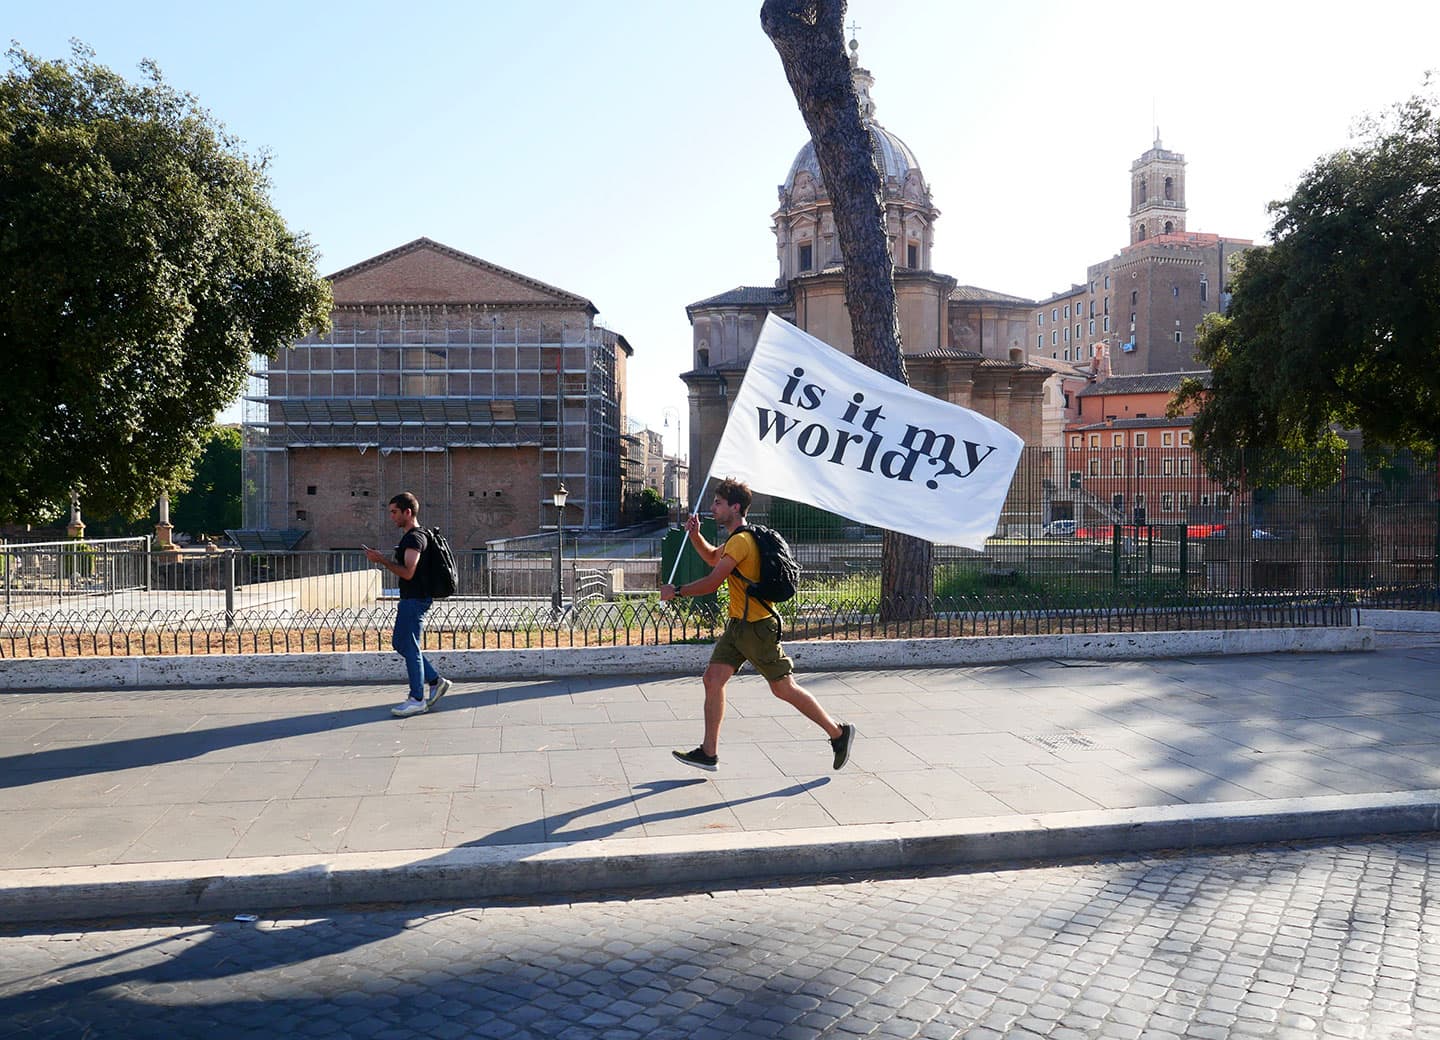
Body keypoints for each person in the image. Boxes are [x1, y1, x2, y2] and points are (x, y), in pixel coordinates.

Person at [660, 477, 855, 771]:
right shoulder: (736, 540)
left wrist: (676, 591)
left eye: (718, 503)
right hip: (738, 626)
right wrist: (696, 536)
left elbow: (713, 582)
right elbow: (715, 558)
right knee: (713, 679)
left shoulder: (741, 541)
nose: (713, 507)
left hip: (757, 627)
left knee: (783, 688)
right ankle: (708, 752)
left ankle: (838, 733)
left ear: (735, 507)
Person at [362, 492, 453, 718]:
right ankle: (435, 681)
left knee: (409, 646)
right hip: (413, 599)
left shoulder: (414, 538)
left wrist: (381, 560)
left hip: (414, 599)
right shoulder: (416, 537)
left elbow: (408, 572)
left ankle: (417, 699)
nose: (391, 516)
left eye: (394, 512)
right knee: (401, 643)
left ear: (407, 512)